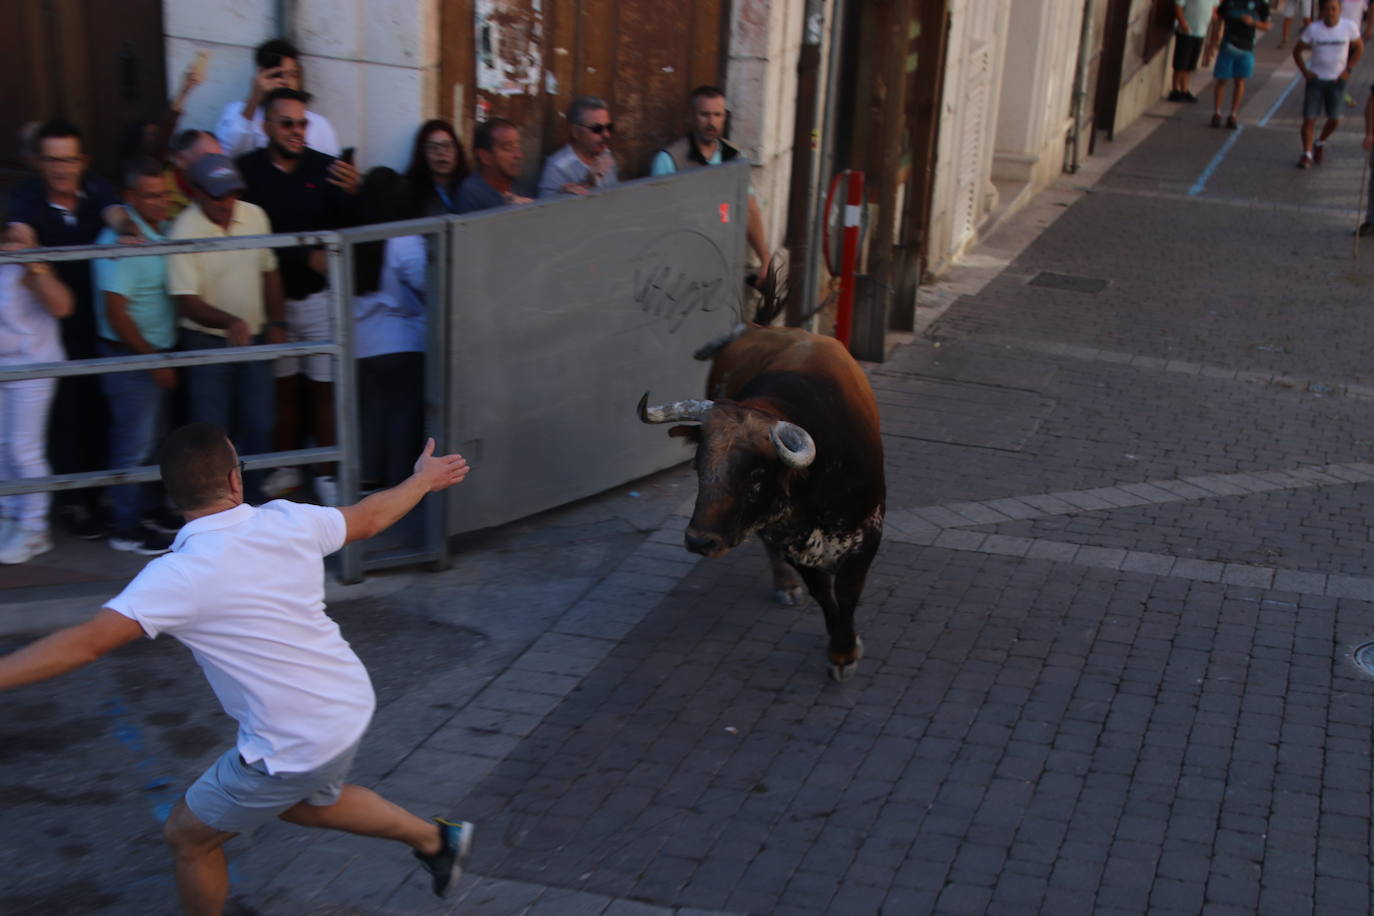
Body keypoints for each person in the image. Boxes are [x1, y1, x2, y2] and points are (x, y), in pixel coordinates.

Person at [0, 422, 475, 913]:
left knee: (188, 837)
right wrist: (422, 478)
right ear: (234, 481)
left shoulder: (178, 574)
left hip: (295, 738)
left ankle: (436, 842)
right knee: (306, 804)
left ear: (175, 494)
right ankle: (438, 841)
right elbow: (368, 518)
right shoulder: (288, 519)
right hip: (346, 702)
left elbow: (83, 645)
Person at [236, 88, 360, 506]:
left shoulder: (327, 168)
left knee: (323, 390)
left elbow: (350, 230)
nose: (296, 131)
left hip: (318, 300)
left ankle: (326, 473)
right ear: (267, 126)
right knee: (283, 392)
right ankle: (286, 468)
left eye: (302, 122)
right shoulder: (246, 172)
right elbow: (246, 235)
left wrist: (355, 193)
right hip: (270, 304)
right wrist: (304, 253)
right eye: (286, 122)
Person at [6, 119, 121, 538]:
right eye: (52, 160)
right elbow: (21, 233)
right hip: (53, 325)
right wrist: (25, 249)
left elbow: (118, 215)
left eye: (68, 160)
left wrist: (128, 231)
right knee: (65, 414)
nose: (60, 168)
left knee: (103, 409)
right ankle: (71, 500)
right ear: (39, 161)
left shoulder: (98, 190)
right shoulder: (26, 197)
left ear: (82, 161)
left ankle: (100, 494)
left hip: (104, 319)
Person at [167, 154, 286, 505]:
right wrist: (230, 322)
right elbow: (186, 301)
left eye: (233, 192)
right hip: (206, 341)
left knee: (261, 422)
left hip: (254, 338)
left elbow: (270, 271)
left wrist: (277, 321)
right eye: (219, 195)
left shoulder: (256, 216)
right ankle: (216, 506)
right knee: (212, 431)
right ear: (197, 193)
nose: (228, 201)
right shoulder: (183, 231)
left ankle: (256, 497)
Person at [94, 159, 180, 555]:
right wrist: (153, 361)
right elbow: (116, 312)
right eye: (151, 196)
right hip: (132, 359)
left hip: (149, 355)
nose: (161, 201)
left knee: (151, 442)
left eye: (164, 193)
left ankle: (147, 510)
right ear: (129, 199)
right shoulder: (122, 245)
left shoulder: (152, 231)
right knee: (133, 444)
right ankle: (125, 526)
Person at [0, 222, 72, 564]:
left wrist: (33, 258)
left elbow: (62, 306)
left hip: (34, 365)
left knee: (23, 447)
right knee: (0, 447)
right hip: (3, 366)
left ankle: (35, 530)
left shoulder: (20, 257)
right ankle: (9, 516)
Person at [354, 168, 428, 488]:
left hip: (362, 345)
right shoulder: (404, 239)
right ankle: (400, 490)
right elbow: (427, 283)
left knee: (373, 415)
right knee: (402, 418)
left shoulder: (353, 237)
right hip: (403, 342)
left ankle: (370, 482)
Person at [651, 86, 772, 276]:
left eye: (717, 115)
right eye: (704, 114)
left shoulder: (733, 156)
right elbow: (658, 220)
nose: (711, 122)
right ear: (691, 116)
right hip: (681, 268)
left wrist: (765, 260)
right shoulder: (669, 159)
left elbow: (749, 208)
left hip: (724, 263)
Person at [215, 38, 340, 160]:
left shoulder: (319, 124)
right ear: (263, 75)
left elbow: (333, 168)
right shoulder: (237, 111)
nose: (287, 82)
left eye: (293, 75)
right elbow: (227, 158)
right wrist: (254, 99)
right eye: (279, 75)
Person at [1294, 0, 1364, 167]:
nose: (1331, 12)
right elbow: (1297, 51)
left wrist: (1349, 69)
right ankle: (1307, 153)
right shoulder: (1314, 29)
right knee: (1309, 118)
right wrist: (1305, 71)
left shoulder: (1349, 26)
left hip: (1337, 80)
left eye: (1334, 9)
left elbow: (1359, 48)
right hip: (1316, 79)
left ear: (1340, 10)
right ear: (1322, 11)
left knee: (1335, 119)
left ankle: (1320, 141)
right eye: (1327, 9)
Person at [1207, 0, 1272, 129]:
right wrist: (1213, 42)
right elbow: (1218, 20)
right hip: (1227, 47)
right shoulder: (1229, 2)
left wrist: (1253, 22)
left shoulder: (1260, 4)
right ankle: (1217, 113)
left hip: (1246, 49)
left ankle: (1233, 115)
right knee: (1222, 80)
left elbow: (1267, 26)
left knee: (1240, 81)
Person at [537, 96, 620, 197]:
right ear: (575, 131)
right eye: (597, 129)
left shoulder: (606, 154)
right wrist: (588, 183)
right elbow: (544, 210)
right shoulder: (557, 168)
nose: (606, 135)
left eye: (609, 127)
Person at [454, 118, 532, 214]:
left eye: (518, 147)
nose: (518, 155)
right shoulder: (471, 194)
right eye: (508, 148)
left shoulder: (519, 186)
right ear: (484, 156)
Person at [404, 119, 469, 216]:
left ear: (457, 150)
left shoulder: (469, 189)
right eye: (433, 147)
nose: (441, 152)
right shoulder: (410, 193)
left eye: (447, 146)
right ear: (423, 153)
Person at [167, 130, 223, 221]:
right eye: (207, 159)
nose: (216, 167)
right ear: (180, 159)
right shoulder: (159, 192)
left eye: (219, 160)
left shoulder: (223, 193)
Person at [1171, 2, 1220, 101]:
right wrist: (1182, 22)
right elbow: (1178, 5)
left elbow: (1215, 6)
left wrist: (1212, 15)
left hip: (1200, 32)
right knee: (1180, 63)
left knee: (1190, 65)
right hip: (1187, 31)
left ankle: (1184, 90)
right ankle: (1175, 90)